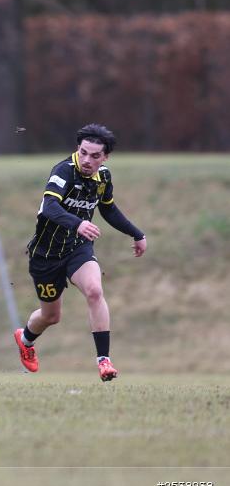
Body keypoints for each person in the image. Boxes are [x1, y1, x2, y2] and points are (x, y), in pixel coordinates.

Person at [15, 124, 147, 382]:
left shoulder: (104, 177)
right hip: (46, 255)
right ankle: (25, 339)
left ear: (105, 157)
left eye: (95, 155)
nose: (87, 160)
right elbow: (50, 206)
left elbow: (108, 209)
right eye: (84, 152)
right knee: (51, 316)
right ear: (78, 149)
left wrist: (136, 233)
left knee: (95, 291)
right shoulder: (63, 171)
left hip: (77, 247)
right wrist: (78, 223)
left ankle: (104, 361)